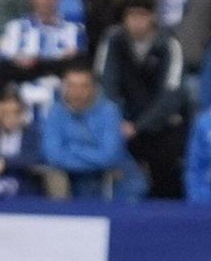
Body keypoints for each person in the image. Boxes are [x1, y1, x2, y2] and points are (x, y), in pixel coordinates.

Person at [96, 0, 189, 197]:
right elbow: (106, 84)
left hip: (161, 123)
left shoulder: (169, 45)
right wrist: (118, 120)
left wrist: (139, 126)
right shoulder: (113, 40)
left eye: (142, 16)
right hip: (123, 120)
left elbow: (170, 95)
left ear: (153, 17)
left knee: (167, 161)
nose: (136, 22)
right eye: (131, 15)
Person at [40, 62, 145, 198]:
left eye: (83, 86)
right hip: (73, 178)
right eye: (71, 85)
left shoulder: (109, 111)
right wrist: (92, 157)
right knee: (54, 176)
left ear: (93, 88)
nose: (77, 92)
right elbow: (52, 156)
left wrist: (73, 149)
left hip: (112, 178)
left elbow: (109, 156)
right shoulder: (55, 112)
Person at [0, 0, 86, 111]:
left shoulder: (74, 31)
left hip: (62, 109)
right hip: (20, 110)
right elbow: (2, 68)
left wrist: (32, 64)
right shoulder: (14, 29)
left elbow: (78, 71)